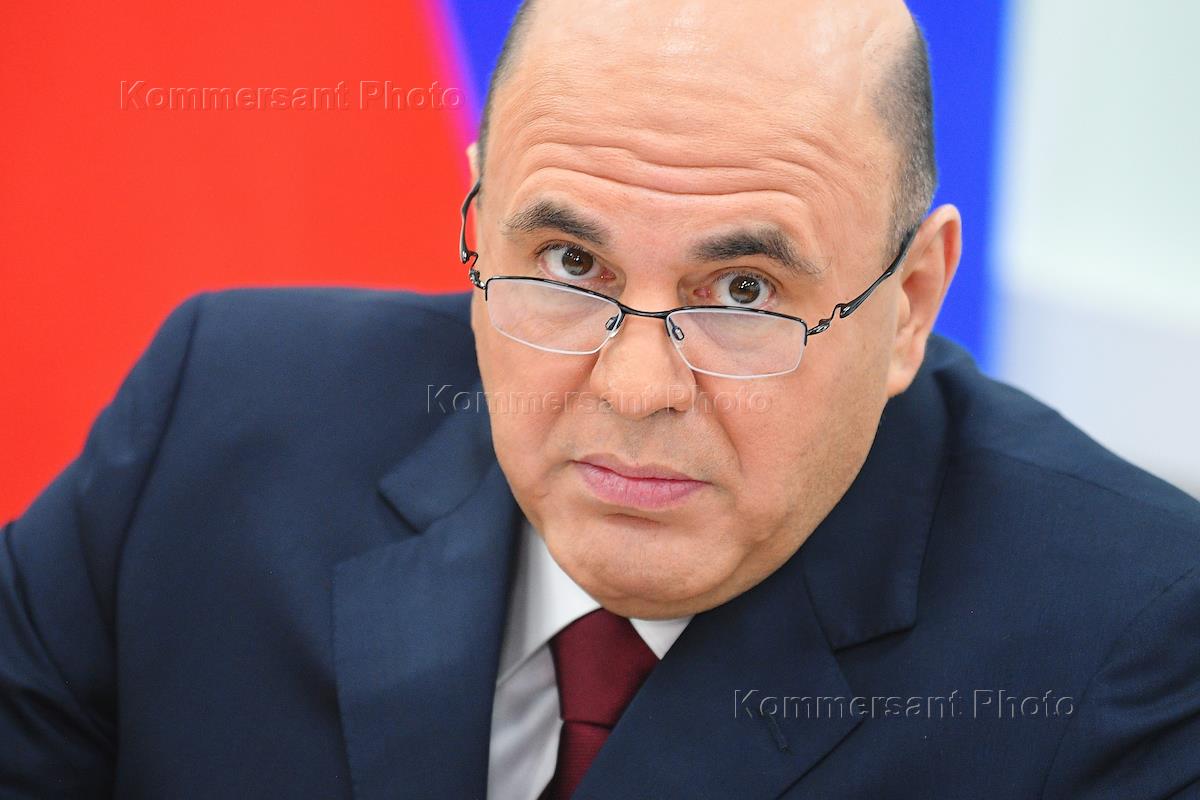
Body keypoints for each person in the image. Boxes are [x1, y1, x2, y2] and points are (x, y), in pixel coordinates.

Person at [3, 0, 1198, 797]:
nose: (635, 388)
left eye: (744, 290)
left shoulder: (1130, 640)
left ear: (912, 299)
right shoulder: (216, 415)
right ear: (480, 224)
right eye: (571, 265)